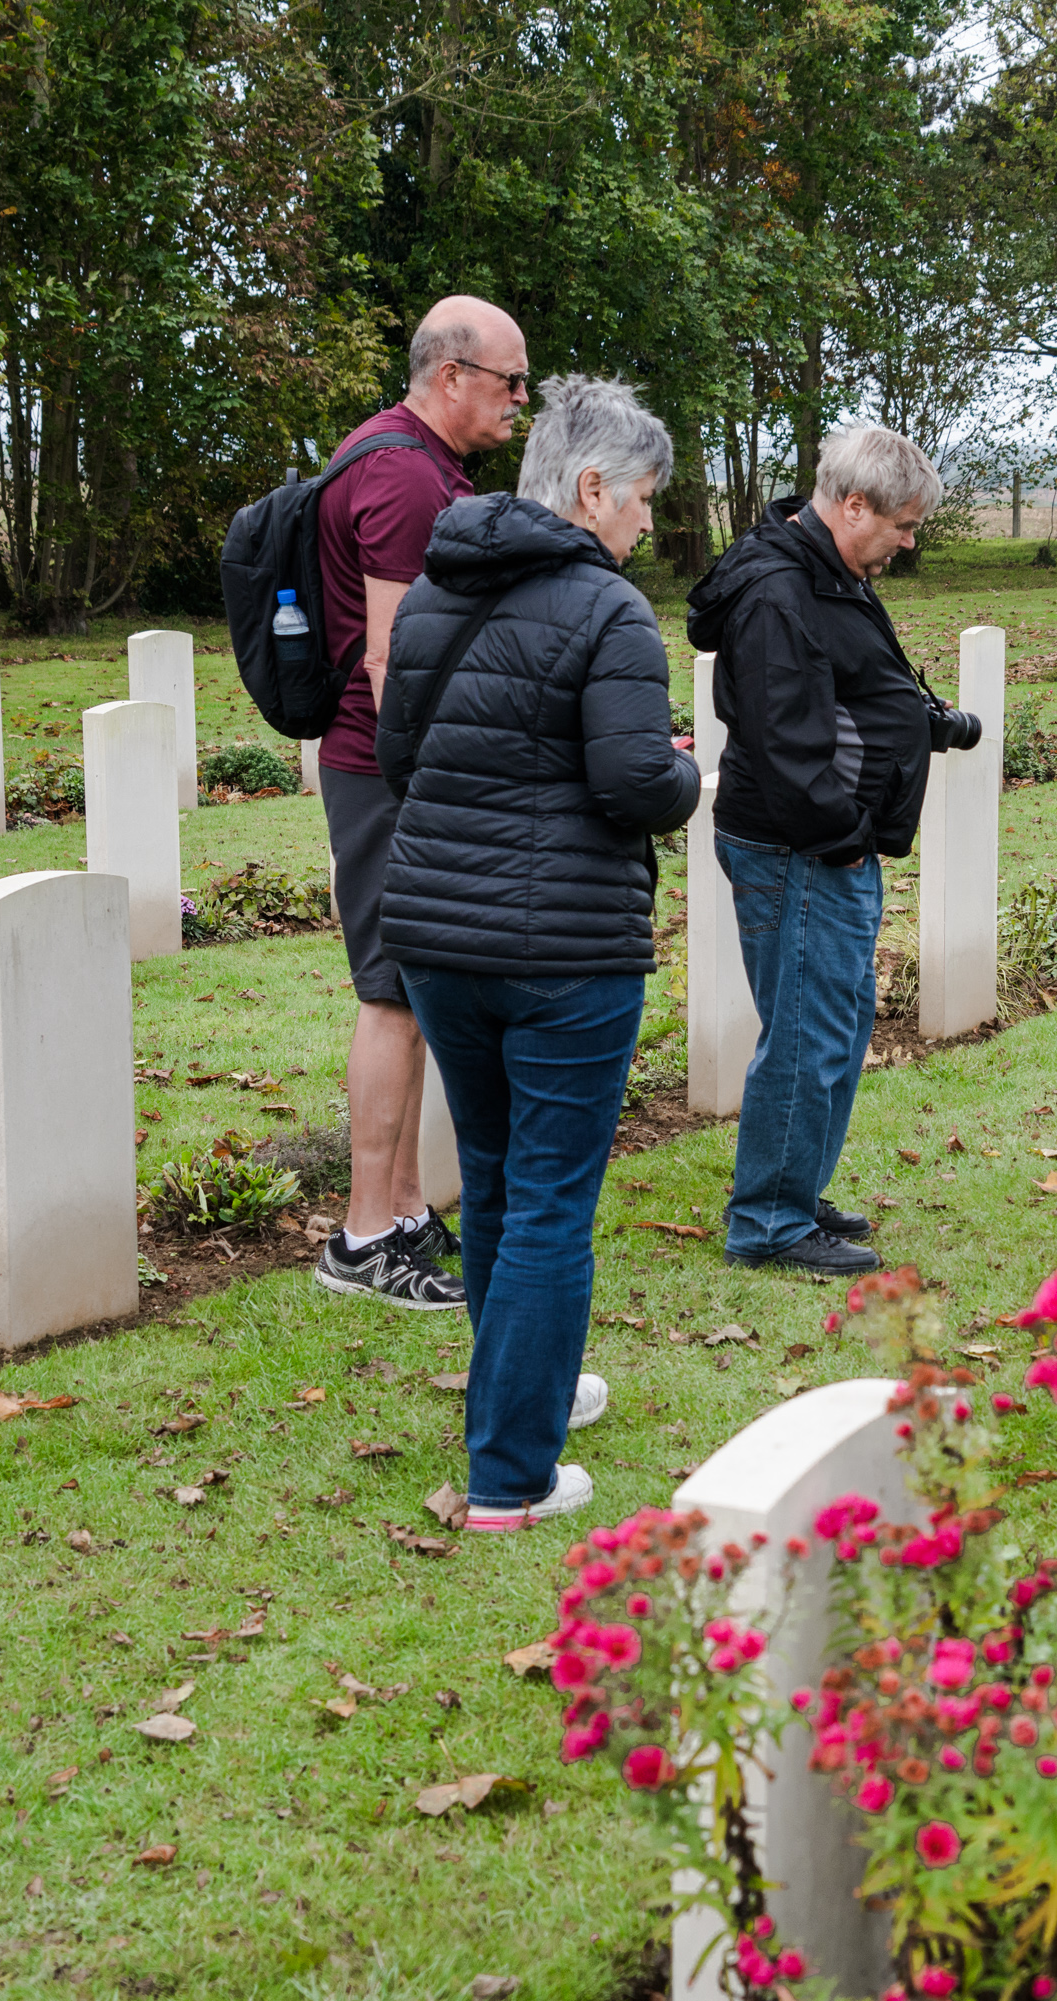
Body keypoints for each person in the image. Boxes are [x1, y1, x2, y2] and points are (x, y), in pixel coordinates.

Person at [376, 376, 698, 1529]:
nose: (648, 523)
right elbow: (632, 784)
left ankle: (530, 1393)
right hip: (564, 946)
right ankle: (511, 1476)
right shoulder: (610, 613)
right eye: (644, 498)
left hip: (437, 938)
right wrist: (687, 770)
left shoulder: (428, 595)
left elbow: (402, 760)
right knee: (553, 1194)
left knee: (504, 1177)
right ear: (592, 485)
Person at [310, 294, 533, 1309]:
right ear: (451, 376)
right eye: (509, 382)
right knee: (392, 995)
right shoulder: (401, 475)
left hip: (399, 773)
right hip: (390, 772)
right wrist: (450, 776)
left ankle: (400, 1210)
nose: (521, 400)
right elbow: (393, 660)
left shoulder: (413, 460)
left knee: (414, 990)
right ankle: (362, 1236)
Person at [686, 425, 950, 1276]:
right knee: (809, 1032)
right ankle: (769, 1219)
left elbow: (856, 682)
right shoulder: (777, 593)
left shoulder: (825, 570)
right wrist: (842, 837)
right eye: (903, 526)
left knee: (836, 1022)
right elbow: (789, 742)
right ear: (852, 505)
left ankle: (794, 1186)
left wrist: (926, 721)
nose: (908, 544)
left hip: (826, 842)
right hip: (799, 846)